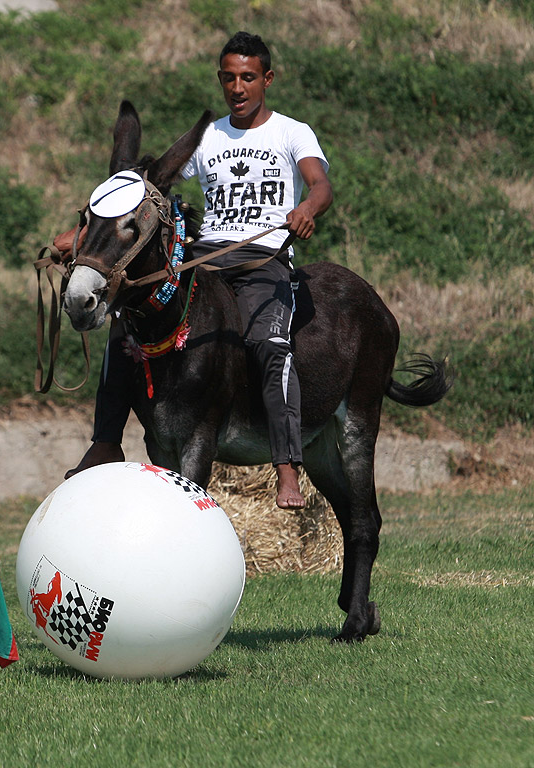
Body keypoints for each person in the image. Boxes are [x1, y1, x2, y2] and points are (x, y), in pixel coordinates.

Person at [62, 31, 333, 509]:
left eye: (248, 77)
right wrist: (83, 238)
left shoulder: (292, 132)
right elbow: (148, 188)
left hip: (261, 260)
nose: (238, 87)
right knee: (130, 322)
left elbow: (320, 184)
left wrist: (308, 206)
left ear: (266, 79)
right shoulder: (209, 139)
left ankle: (287, 466)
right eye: (228, 78)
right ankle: (105, 439)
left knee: (270, 345)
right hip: (205, 259)